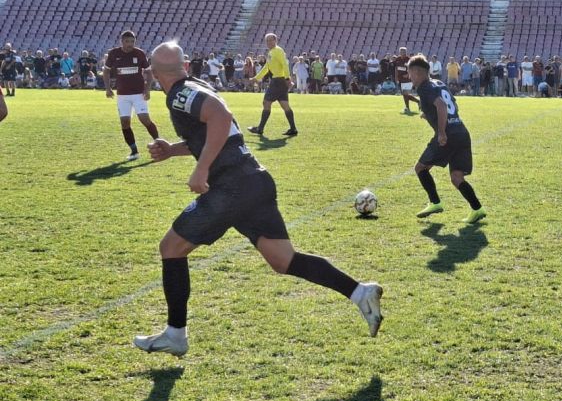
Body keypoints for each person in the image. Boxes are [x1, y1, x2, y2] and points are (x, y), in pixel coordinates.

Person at [132, 41, 383, 357]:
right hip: (253, 180)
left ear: (154, 73)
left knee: (171, 247)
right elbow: (222, 131)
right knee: (284, 260)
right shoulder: (197, 85)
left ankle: (175, 334)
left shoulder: (179, 95)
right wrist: (173, 150)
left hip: (231, 187)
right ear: (184, 66)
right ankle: (360, 292)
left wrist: (201, 168)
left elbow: (220, 117)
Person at [408, 55, 487, 224]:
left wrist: (442, 132)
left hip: (448, 135)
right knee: (457, 177)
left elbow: (442, 106)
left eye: (410, 73)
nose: (410, 77)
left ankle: (435, 203)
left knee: (420, 168)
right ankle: (477, 209)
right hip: (461, 131)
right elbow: (453, 105)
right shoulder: (439, 83)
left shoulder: (424, 87)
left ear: (416, 73)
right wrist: (429, 114)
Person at [102, 30, 161, 161]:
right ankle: (134, 151)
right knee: (125, 123)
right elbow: (106, 71)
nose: (130, 44)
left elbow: (149, 72)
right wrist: (108, 88)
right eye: (127, 41)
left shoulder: (139, 53)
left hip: (138, 94)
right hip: (122, 95)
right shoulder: (114, 53)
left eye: (132, 41)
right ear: (122, 41)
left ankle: (159, 143)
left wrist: (147, 90)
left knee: (144, 119)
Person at [247, 33, 298, 136]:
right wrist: (256, 78)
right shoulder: (271, 52)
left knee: (266, 102)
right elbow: (266, 67)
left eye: (271, 40)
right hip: (280, 81)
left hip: (278, 81)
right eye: (267, 41)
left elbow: (284, 64)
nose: (269, 42)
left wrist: (288, 78)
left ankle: (260, 128)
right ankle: (293, 129)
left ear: (276, 40)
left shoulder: (278, 51)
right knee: (284, 105)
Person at [393, 47, 420, 113]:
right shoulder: (397, 59)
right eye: (401, 51)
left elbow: (412, 69)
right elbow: (396, 68)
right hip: (401, 79)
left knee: (405, 93)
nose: (402, 53)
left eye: (404, 51)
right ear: (399, 52)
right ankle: (418, 102)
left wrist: (408, 74)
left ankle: (407, 108)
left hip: (408, 80)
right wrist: (396, 77)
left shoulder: (409, 59)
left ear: (406, 52)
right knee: (405, 95)